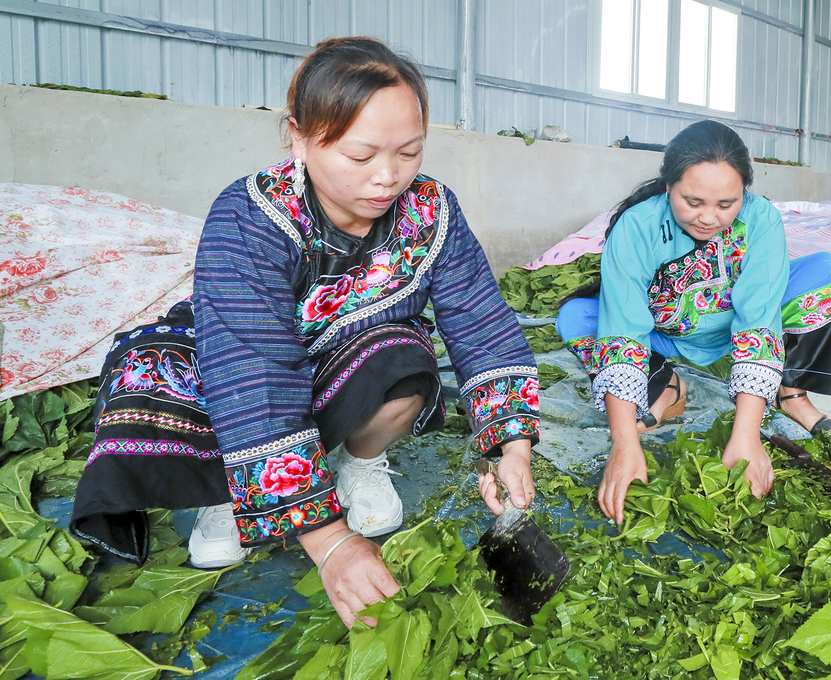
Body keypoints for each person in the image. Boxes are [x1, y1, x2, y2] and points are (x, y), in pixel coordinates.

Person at [71, 37, 540, 628]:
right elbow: (255, 370)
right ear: (301, 135)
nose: (388, 177)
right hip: (239, 357)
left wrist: (510, 445)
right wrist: (331, 542)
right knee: (160, 378)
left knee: (404, 359)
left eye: (410, 152)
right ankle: (233, 492)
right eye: (360, 156)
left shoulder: (432, 214)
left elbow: (482, 323)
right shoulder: (250, 214)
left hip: (342, 357)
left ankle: (360, 465)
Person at [555, 120, 831, 525]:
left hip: (734, 339)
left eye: (726, 205)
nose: (709, 218)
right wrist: (623, 443)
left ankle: (790, 394)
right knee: (576, 317)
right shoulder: (638, 226)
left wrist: (747, 435)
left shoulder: (761, 220)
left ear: (744, 194)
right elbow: (623, 329)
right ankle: (664, 384)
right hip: (665, 337)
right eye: (692, 202)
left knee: (825, 271)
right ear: (668, 186)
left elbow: (759, 319)